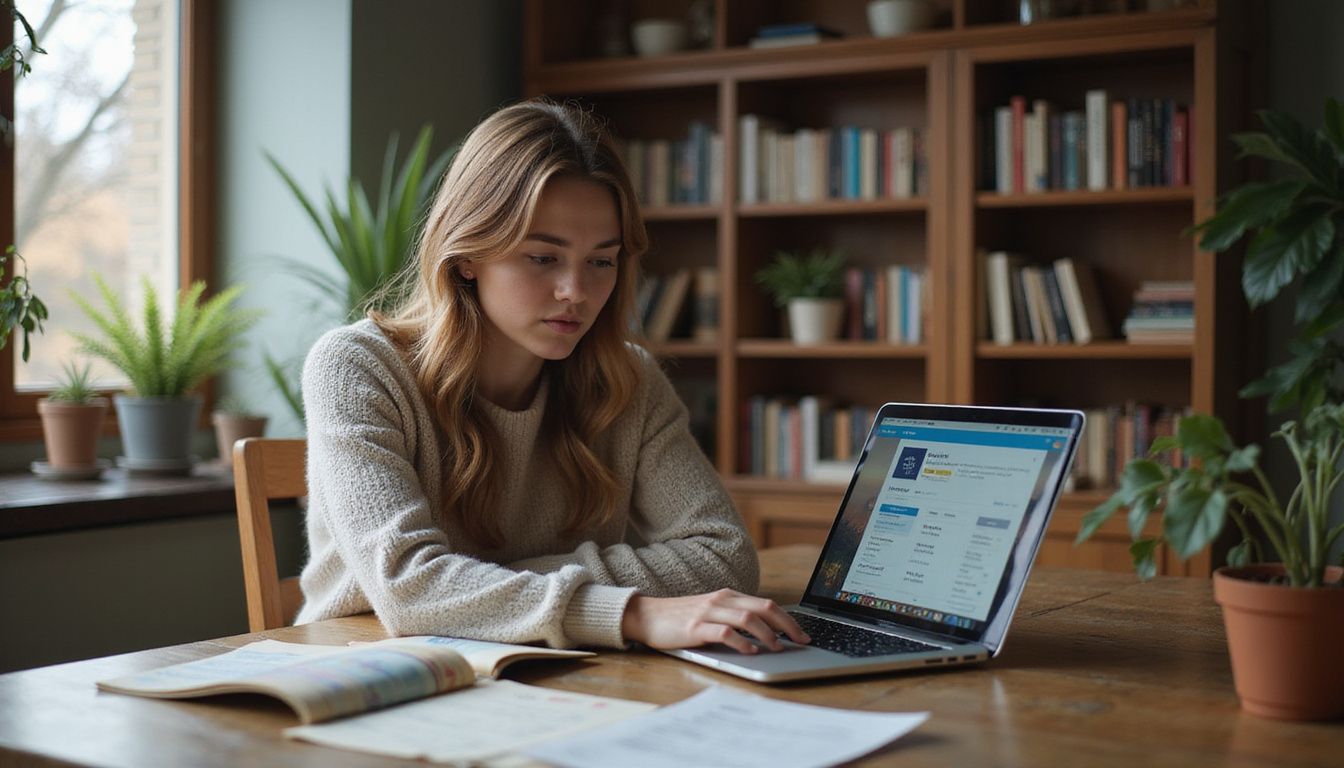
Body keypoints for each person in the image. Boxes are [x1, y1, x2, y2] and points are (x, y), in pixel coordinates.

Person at [298, 99, 808, 656]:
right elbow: (410, 588)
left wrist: (478, 585)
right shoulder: (356, 367)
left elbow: (724, 555)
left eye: (601, 261)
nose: (576, 292)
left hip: (551, 668)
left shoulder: (628, 379)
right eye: (543, 257)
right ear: (467, 253)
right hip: (371, 667)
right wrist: (629, 612)